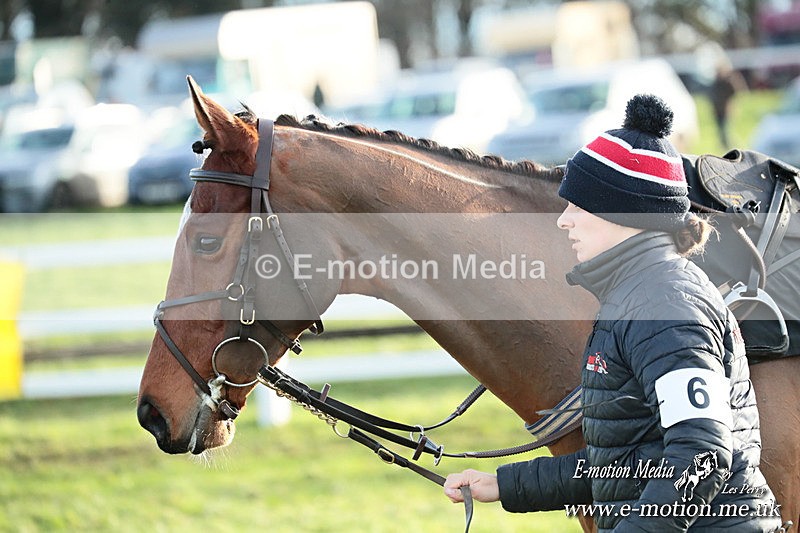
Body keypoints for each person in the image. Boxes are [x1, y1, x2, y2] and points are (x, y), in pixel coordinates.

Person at [444, 94, 783, 532]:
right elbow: (625, 463)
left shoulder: (664, 305)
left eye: (578, 206)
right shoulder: (638, 295)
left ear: (624, 214)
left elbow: (700, 455)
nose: (564, 220)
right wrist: (505, 485)